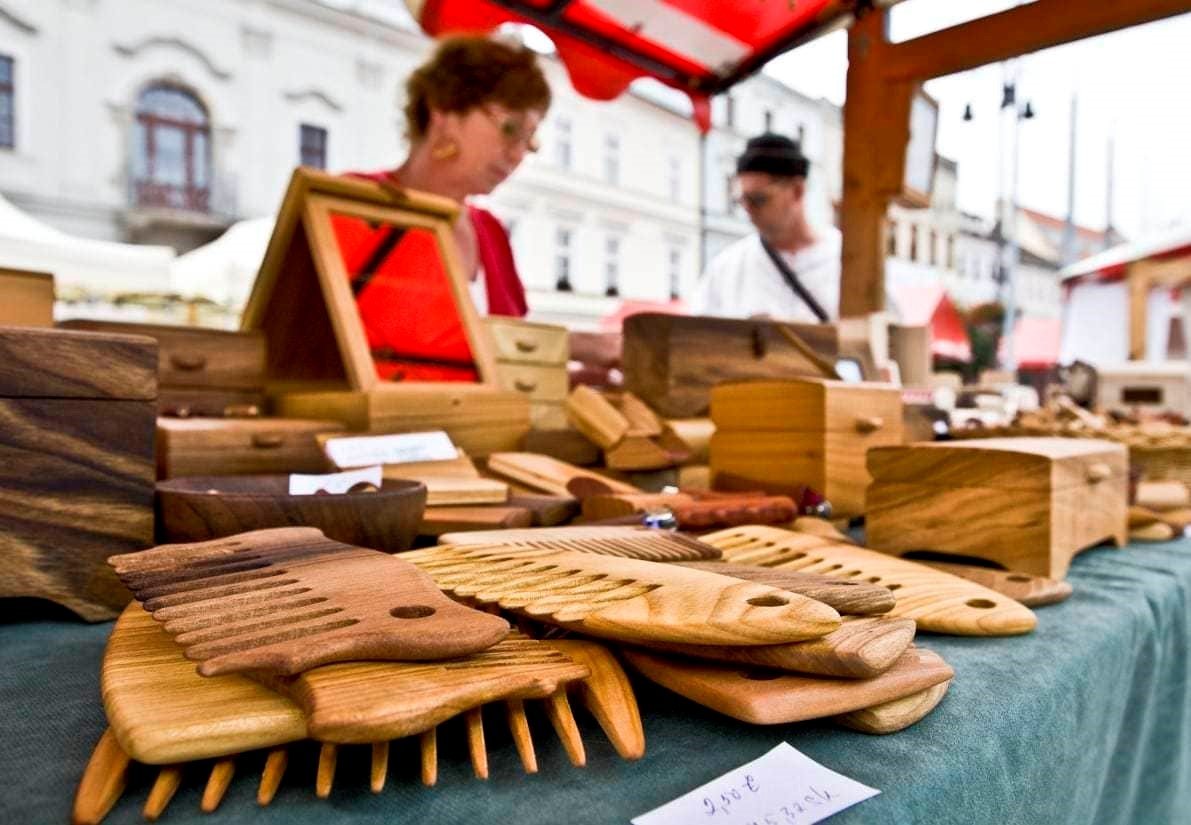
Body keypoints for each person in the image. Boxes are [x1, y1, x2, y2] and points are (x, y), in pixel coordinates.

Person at [338, 35, 550, 380]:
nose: (517, 154)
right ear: (445, 110)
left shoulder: (492, 234)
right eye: (510, 129)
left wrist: (570, 375)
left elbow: (510, 364)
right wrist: (576, 345)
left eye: (531, 141)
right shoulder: (354, 205)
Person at [691, 133, 841, 322]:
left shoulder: (845, 259)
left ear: (797, 191)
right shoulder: (726, 268)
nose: (748, 209)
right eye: (742, 200)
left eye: (759, 199)